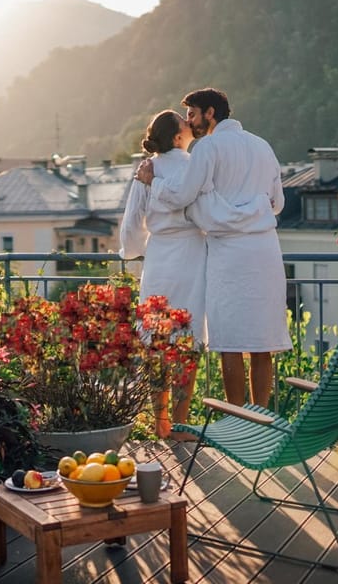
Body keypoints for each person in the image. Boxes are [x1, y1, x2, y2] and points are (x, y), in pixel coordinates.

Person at [135, 88, 290, 408]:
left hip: (228, 253)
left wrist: (155, 182)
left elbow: (181, 196)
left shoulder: (208, 149)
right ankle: (260, 418)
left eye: (192, 114)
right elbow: (278, 204)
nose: (189, 122)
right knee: (263, 343)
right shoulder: (263, 146)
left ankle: (237, 419)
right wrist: (252, 209)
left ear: (209, 113)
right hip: (265, 251)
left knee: (230, 342)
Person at [120, 110, 207, 438]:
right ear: (177, 137)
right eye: (186, 124)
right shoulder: (193, 166)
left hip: (158, 258)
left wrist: (135, 250)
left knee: (157, 341)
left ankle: (161, 424)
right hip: (191, 255)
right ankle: (181, 423)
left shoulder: (147, 169)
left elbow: (132, 223)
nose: (191, 126)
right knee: (187, 341)